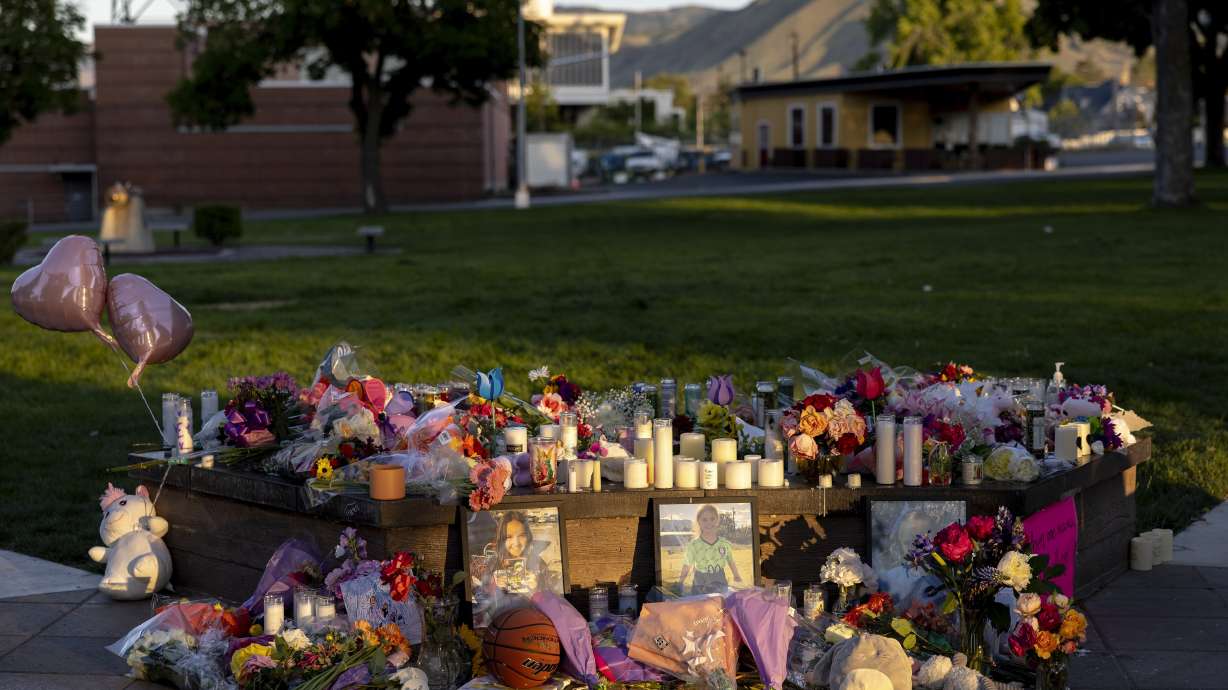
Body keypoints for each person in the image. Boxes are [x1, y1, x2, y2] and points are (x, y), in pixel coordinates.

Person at [677, 504, 743, 595]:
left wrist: (736, 575)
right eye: (704, 520)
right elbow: (687, 565)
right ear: (698, 522)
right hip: (700, 584)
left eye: (712, 519)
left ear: (717, 520)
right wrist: (680, 582)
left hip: (720, 581)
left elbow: (730, 560)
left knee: (720, 603)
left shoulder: (724, 543)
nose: (709, 523)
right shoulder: (693, 545)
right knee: (702, 603)